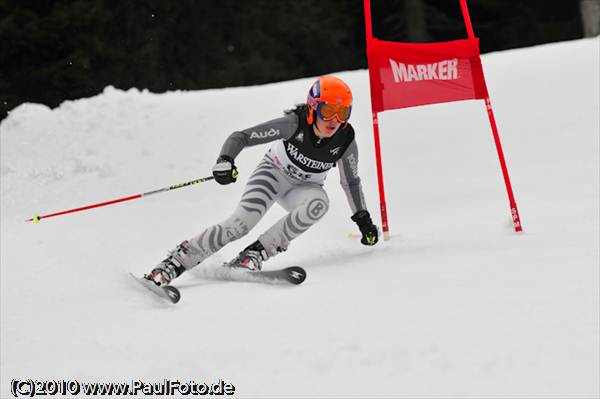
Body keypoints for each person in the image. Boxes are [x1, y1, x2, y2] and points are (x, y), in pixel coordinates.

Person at [145, 75, 379, 286]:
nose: (335, 120)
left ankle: (255, 254)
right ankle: (172, 264)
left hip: (305, 188)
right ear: (313, 108)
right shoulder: (293, 125)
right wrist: (226, 159)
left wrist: (363, 219)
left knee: (319, 204)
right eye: (328, 111)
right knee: (240, 224)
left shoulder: (345, 140)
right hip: (273, 175)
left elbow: (351, 182)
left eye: (343, 112)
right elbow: (241, 137)